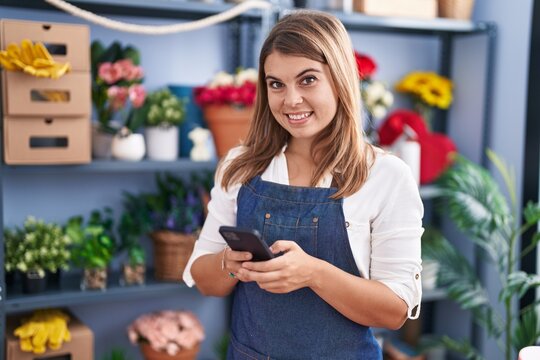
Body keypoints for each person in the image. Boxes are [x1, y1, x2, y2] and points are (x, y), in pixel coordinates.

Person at [183, 10, 423, 359]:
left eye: (307, 80)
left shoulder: (385, 176)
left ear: (339, 79)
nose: (290, 100)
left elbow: (395, 309)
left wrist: (313, 273)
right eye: (276, 84)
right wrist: (229, 262)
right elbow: (202, 278)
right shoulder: (241, 166)